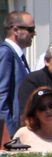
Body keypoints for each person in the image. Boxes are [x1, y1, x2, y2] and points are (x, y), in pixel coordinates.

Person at [0, 10, 36, 142]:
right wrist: (8, 134)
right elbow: (1, 95)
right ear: (15, 30)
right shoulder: (6, 53)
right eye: (31, 29)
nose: (34, 34)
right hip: (11, 133)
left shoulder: (18, 55)